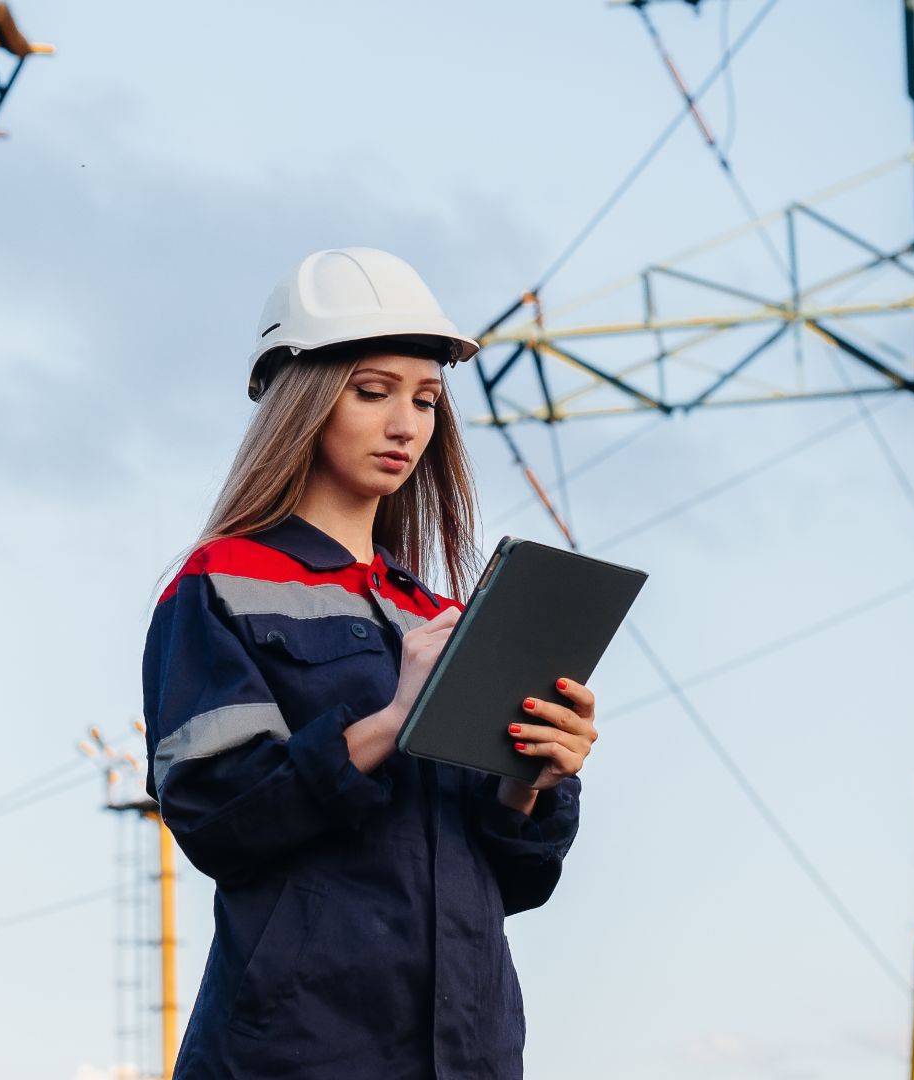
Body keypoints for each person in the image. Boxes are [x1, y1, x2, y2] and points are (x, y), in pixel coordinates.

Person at [140, 247, 598, 1079]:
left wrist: (532, 776)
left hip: (470, 1051)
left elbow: (516, 881)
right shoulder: (222, 586)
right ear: (304, 400)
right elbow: (217, 816)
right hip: (297, 1049)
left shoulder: (442, 617)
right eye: (372, 391)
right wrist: (391, 723)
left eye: (425, 400)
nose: (405, 426)